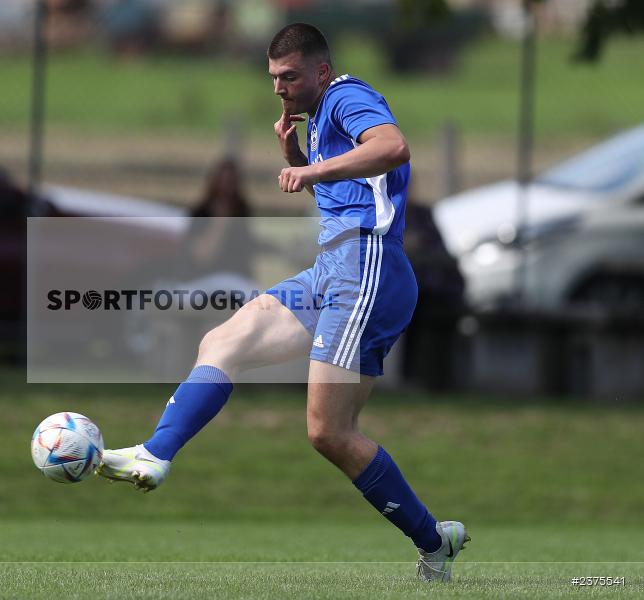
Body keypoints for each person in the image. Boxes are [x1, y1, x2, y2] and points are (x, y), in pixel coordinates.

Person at [96, 23, 469, 582]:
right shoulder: (316, 118)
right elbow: (353, 191)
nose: (279, 87)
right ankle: (156, 451)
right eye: (273, 77)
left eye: (289, 75)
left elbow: (392, 148)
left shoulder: (346, 95)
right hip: (334, 271)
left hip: (366, 270)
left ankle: (431, 540)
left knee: (326, 430)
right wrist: (298, 150)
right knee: (226, 343)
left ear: (320, 71)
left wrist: (309, 167)